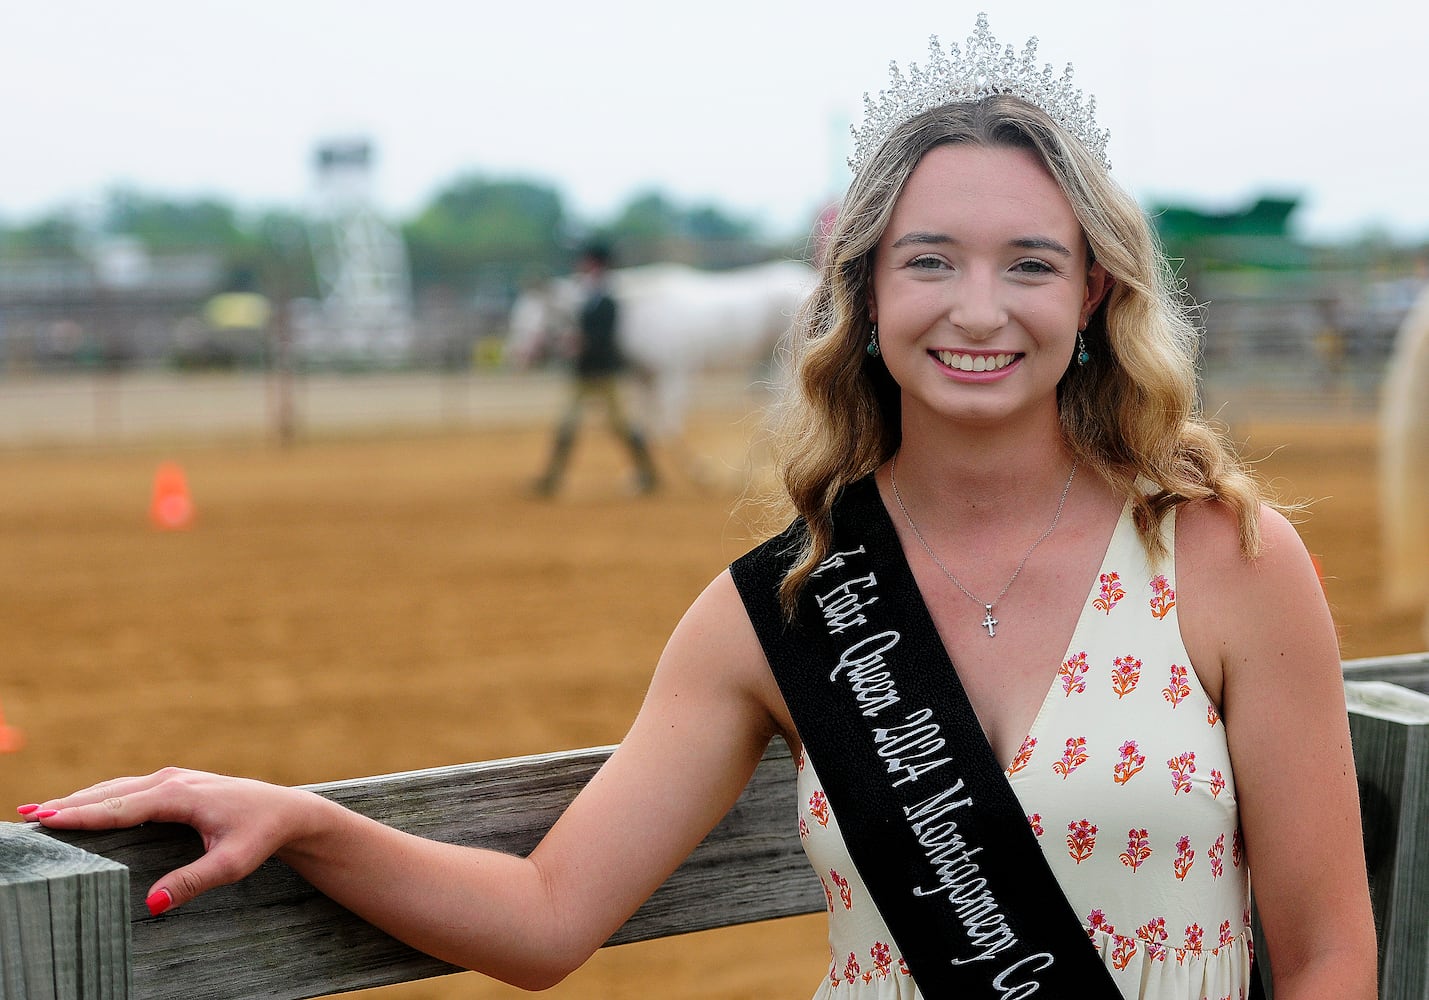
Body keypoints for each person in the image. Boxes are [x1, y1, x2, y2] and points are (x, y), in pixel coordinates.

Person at [19, 15, 1375, 999]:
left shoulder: (1224, 560)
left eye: (1029, 262)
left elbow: (1325, 959)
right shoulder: (779, 613)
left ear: (1091, 296)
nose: (978, 307)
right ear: (864, 294)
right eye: (929, 260)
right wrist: (306, 821)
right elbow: (550, 915)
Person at [531, 241, 659, 496]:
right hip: (584, 373)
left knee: (620, 425)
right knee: (568, 424)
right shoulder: (586, 296)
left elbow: (603, 338)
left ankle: (648, 474)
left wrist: (580, 344)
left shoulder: (608, 300)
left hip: (603, 373)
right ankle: (551, 478)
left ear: (595, 264)